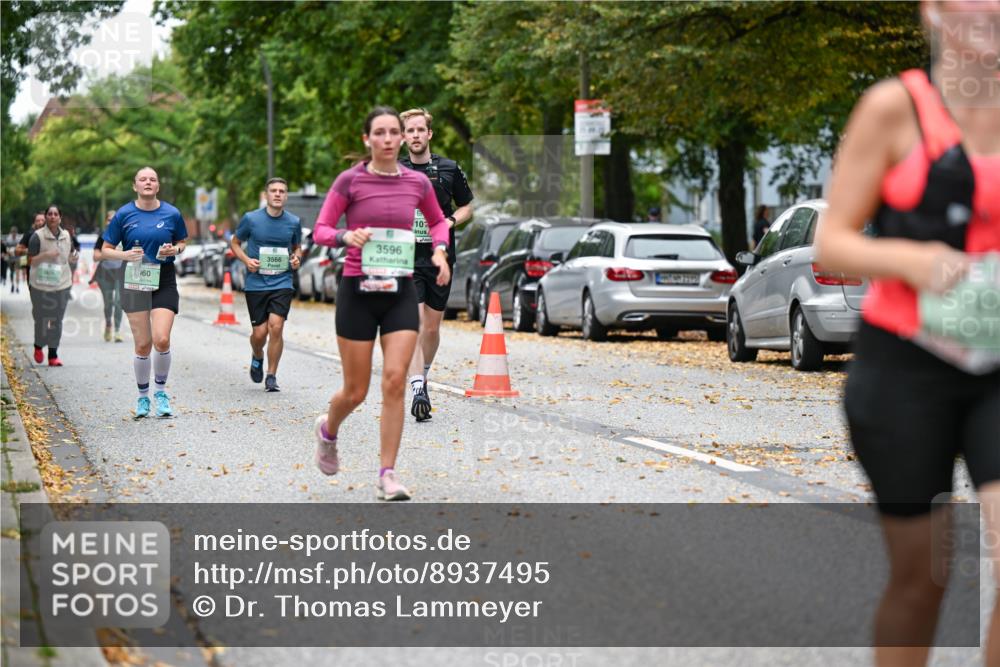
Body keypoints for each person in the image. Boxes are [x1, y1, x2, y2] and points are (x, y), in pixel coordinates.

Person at [815, 3, 1000, 666]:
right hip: (904, 368)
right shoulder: (895, 108)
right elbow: (831, 241)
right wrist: (914, 261)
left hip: (997, 366)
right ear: (935, 11)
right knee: (923, 579)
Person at [312, 105, 450, 501]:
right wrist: (344, 238)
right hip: (358, 289)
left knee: (394, 380)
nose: (389, 139)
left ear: (403, 138)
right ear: (367, 140)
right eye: (381, 133)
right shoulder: (349, 181)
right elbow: (321, 229)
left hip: (399, 292)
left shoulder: (416, 183)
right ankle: (328, 428)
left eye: (395, 132)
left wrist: (440, 250)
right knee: (355, 391)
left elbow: (438, 221)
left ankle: (387, 474)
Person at [398, 108, 474, 422]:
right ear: (403, 137)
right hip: (405, 259)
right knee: (414, 325)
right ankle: (418, 389)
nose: (415, 135)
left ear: (429, 134)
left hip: (441, 257)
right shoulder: (393, 170)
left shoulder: (449, 169)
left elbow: (467, 205)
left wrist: (451, 221)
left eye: (420, 130)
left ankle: (422, 375)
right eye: (409, 131)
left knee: (431, 327)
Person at [99, 167, 187, 419]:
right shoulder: (124, 215)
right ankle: (142, 397)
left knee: (161, 339)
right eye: (143, 179)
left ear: (158, 186)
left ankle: (160, 392)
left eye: (153, 179)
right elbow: (105, 250)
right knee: (143, 344)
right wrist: (124, 254)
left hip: (164, 280)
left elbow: (182, 242)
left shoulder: (172, 213)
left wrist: (176, 251)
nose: (148, 182)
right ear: (134, 186)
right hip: (135, 280)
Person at [231, 177, 303, 391]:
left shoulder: (293, 221)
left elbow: (297, 247)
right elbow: (235, 242)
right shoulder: (251, 219)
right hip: (256, 284)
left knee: (277, 327)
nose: (278, 194)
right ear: (267, 195)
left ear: (286, 196)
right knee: (260, 334)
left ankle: (271, 375)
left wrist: (297, 258)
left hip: (282, 281)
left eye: (282, 191)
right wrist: (246, 260)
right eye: (274, 191)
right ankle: (257, 355)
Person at [26, 205, 78, 366]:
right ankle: (38, 345)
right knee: (41, 319)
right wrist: (46, 255)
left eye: (56, 214)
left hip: (62, 284)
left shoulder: (66, 236)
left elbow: (71, 255)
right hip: (40, 285)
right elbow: (30, 261)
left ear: (60, 218)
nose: (53, 216)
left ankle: (53, 355)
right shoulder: (37, 237)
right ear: (46, 217)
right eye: (50, 214)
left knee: (56, 320)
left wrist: (73, 258)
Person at [91, 210, 124, 342]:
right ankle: (108, 325)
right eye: (109, 220)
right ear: (106, 222)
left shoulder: (125, 237)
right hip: (105, 274)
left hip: (121, 273)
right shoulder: (102, 237)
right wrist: (109, 253)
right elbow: (95, 257)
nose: (112, 222)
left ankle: (117, 331)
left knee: (119, 302)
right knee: (108, 304)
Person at [16, 214, 45, 288]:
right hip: (32, 268)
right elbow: (17, 250)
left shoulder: (52, 233)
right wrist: (27, 250)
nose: (40, 222)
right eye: (38, 220)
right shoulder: (29, 234)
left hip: (47, 268)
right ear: (34, 222)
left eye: (42, 220)